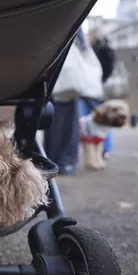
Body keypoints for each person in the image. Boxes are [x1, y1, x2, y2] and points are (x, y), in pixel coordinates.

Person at [45, 27, 104, 175]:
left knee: (53, 122)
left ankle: (51, 160)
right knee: (68, 124)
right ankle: (66, 162)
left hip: (52, 71)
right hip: (68, 80)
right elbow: (82, 44)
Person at [86, 29, 116, 158]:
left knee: (92, 120)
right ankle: (105, 149)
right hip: (97, 87)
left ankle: (98, 147)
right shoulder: (107, 49)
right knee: (103, 120)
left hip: (92, 88)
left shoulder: (95, 50)